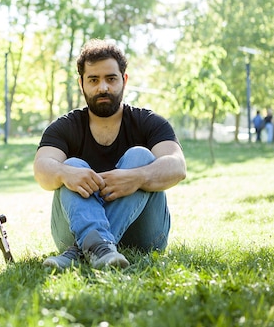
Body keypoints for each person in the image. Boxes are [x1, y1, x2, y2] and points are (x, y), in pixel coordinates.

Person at [34, 39, 187, 271]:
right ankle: (99, 247)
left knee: (140, 157)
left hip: (143, 236)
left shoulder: (148, 122)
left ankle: (82, 249)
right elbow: (42, 168)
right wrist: (65, 172)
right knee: (71, 165)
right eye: (93, 80)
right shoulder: (64, 127)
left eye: (111, 79)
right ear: (81, 83)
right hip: (70, 230)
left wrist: (138, 177)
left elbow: (177, 166)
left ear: (124, 80)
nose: (102, 87)